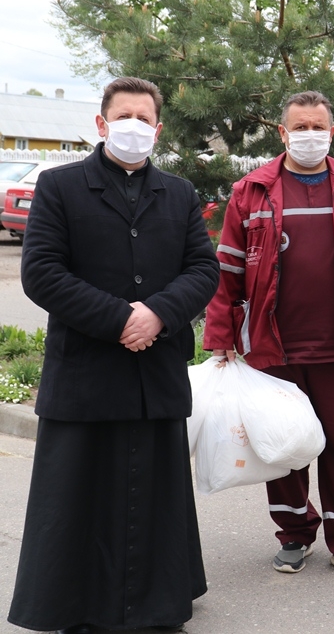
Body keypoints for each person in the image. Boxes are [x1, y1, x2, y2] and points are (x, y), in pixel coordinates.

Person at [8, 77, 219, 634]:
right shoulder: (60, 186)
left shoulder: (178, 193)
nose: (133, 125)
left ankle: (158, 603)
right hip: (86, 371)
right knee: (78, 495)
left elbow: (204, 268)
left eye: (143, 117)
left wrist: (159, 313)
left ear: (158, 128)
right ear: (101, 125)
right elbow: (42, 273)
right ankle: (75, 606)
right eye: (122, 115)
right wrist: (123, 318)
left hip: (156, 371)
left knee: (155, 496)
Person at [203, 91, 334, 583]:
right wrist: (222, 333)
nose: (309, 134)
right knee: (282, 447)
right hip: (274, 346)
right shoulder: (252, 190)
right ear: (283, 132)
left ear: (332, 132)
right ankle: (294, 536)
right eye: (301, 126)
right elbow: (226, 266)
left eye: (319, 126)